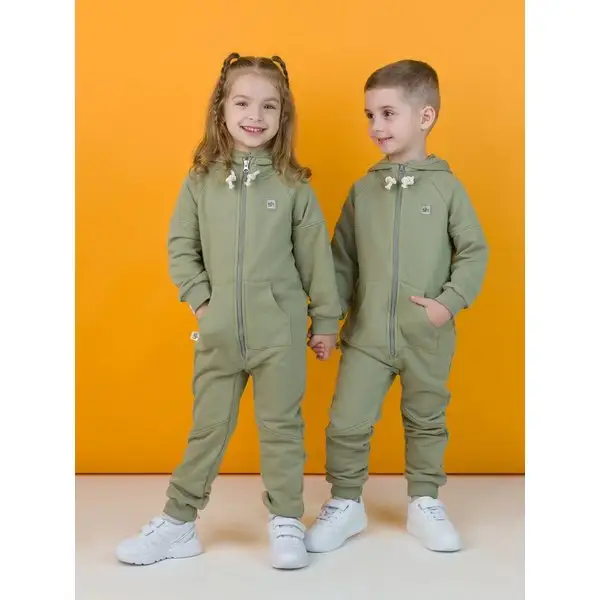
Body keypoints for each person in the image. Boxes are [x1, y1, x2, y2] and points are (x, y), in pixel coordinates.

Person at [116, 53, 340, 570]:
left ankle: (286, 519)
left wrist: (325, 322)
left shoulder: (293, 185)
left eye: (269, 106)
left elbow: (316, 259)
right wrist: (202, 300)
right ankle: (178, 523)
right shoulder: (200, 181)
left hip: (280, 333)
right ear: (221, 109)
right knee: (208, 427)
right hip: (219, 332)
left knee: (282, 428)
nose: (255, 115)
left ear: (283, 116)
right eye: (242, 103)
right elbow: (181, 246)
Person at [307, 59, 488, 554]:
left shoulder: (447, 188)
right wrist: (327, 322)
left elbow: (473, 251)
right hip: (366, 335)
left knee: (426, 420)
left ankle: (424, 502)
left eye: (388, 113)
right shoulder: (363, 191)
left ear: (425, 116)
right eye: (369, 115)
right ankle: (345, 503)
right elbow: (341, 262)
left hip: (426, 333)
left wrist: (447, 305)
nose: (376, 126)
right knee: (346, 422)